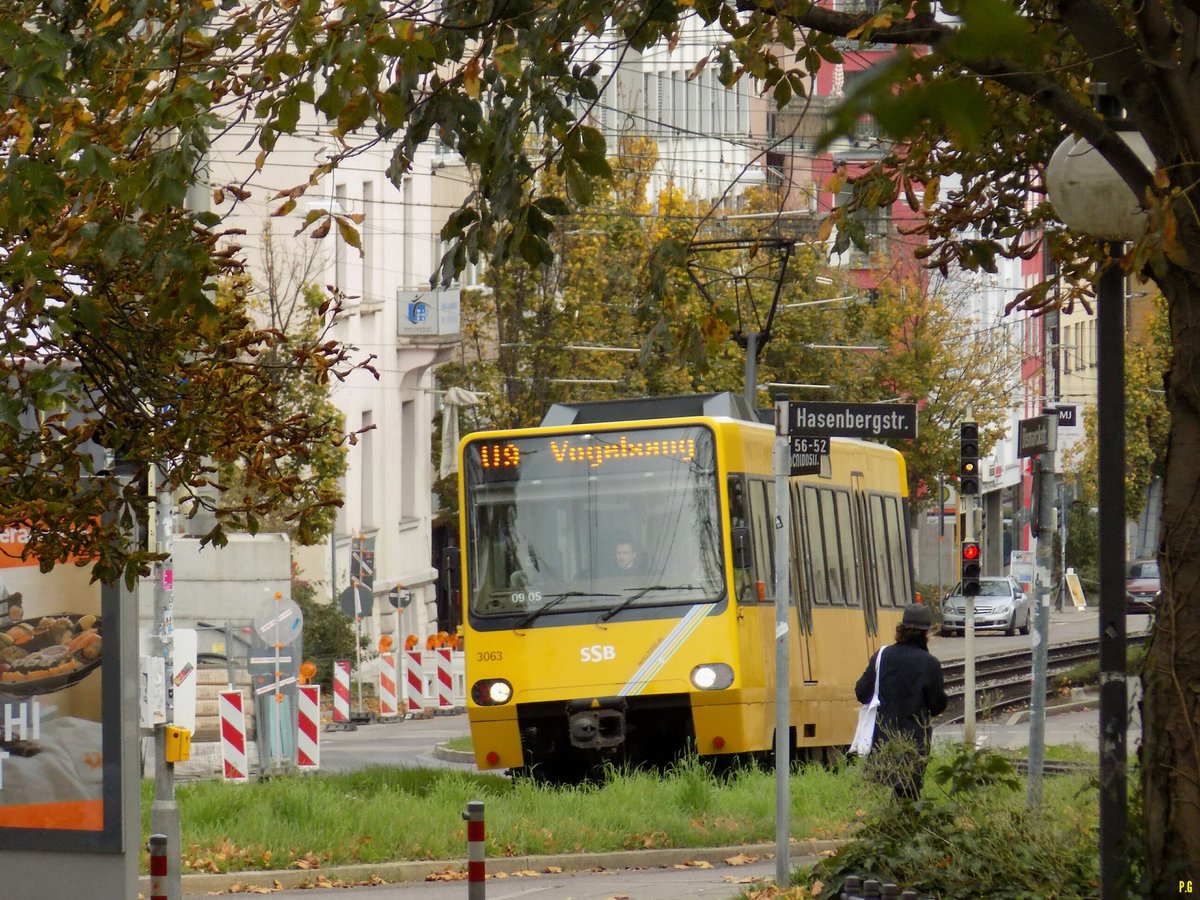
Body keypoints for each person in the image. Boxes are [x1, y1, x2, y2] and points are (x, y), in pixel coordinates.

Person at [854, 602, 948, 800]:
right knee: (908, 792)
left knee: (885, 793)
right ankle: (903, 827)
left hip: (882, 737)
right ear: (926, 634)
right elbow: (937, 705)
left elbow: (862, 692)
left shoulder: (882, 656)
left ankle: (886, 826)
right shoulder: (929, 664)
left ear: (901, 630)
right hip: (914, 741)